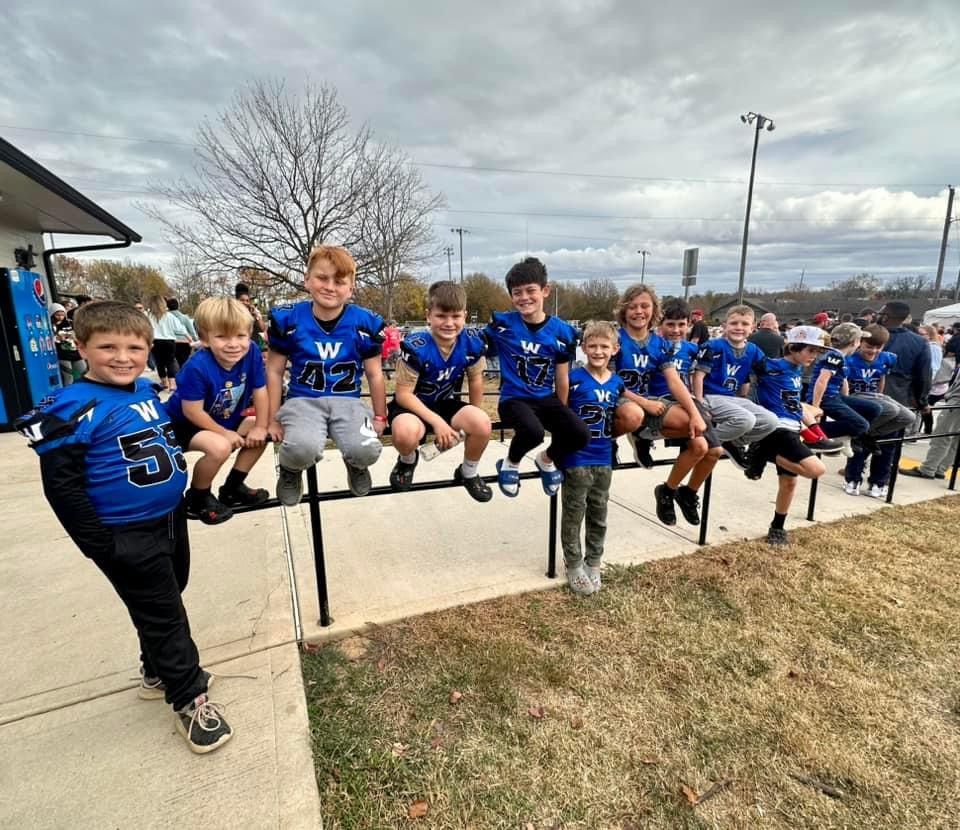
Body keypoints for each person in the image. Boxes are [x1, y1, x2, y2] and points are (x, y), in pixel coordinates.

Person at [15, 300, 231, 753]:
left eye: (134, 347)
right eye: (107, 346)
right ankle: (190, 697)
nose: (122, 356)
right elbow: (63, 487)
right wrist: (100, 544)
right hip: (124, 531)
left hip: (168, 519)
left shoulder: (143, 390)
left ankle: (155, 670)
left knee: (170, 592)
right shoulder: (71, 406)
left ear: (149, 349)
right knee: (166, 614)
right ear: (81, 347)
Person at [266, 245, 387, 503]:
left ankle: (355, 463)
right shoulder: (289, 319)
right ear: (307, 280)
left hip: (349, 401)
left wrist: (379, 415)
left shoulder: (364, 323)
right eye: (322, 278)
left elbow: (375, 375)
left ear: (351, 288)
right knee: (301, 449)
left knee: (367, 450)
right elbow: (274, 371)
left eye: (339, 281)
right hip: (303, 400)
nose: (330, 286)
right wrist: (272, 419)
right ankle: (290, 469)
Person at [482, 257, 589, 497]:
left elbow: (562, 377)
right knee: (533, 432)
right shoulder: (502, 324)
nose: (524, 297)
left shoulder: (562, 331)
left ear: (545, 291)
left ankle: (546, 459)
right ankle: (511, 462)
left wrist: (562, 413)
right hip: (513, 397)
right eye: (517, 292)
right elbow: (477, 347)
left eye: (531, 290)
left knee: (579, 433)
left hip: (544, 397)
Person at [614, 291, 717, 527]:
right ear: (623, 310)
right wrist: (644, 402)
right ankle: (615, 439)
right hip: (620, 403)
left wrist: (694, 413)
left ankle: (668, 491)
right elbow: (606, 379)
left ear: (654, 311)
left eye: (644, 306)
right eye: (632, 306)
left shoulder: (660, 344)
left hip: (649, 402)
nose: (639, 311)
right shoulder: (616, 339)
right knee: (635, 414)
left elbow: (674, 381)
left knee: (701, 442)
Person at [166, 297, 270, 524]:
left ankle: (233, 487)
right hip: (184, 425)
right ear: (204, 339)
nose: (233, 344)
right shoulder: (197, 367)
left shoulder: (251, 351)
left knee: (264, 430)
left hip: (221, 419)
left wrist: (261, 426)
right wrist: (225, 433)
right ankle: (198, 496)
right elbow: (192, 412)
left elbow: (261, 390)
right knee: (220, 447)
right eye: (222, 336)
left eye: (240, 335)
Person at [387, 281, 492, 502]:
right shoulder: (417, 345)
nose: (449, 323)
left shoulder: (472, 342)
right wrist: (437, 423)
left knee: (482, 423)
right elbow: (403, 395)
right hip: (412, 405)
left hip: (444, 402)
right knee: (404, 433)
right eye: (441, 316)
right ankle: (407, 460)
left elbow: (475, 380)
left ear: (464, 315)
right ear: (428, 316)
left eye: (455, 316)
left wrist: (471, 419)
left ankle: (468, 471)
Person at [746, 326, 828, 545]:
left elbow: (793, 403)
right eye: (811, 350)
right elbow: (746, 372)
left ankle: (777, 526)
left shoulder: (797, 370)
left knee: (789, 482)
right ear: (793, 347)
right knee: (816, 470)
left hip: (793, 427)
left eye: (817, 352)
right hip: (776, 427)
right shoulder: (771, 366)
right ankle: (763, 452)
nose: (814, 356)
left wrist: (811, 426)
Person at [558, 321, 624, 595]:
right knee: (574, 512)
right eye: (592, 346)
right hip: (576, 457)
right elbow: (559, 412)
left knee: (599, 511)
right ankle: (573, 562)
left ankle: (594, 560)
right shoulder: (572, 377)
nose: (598, 351)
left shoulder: (617, 381)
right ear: (583, 347)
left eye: (604, 346)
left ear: (615, 349)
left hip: (603, 455)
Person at [692, 305, 779, 469]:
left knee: (771, 421)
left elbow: (751, 376)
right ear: (724, 326)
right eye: (734, 323)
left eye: (745, 324)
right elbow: (698, 375)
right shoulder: (713, 346)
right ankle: (704, 441)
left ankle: (733, 442)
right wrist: (699, 402)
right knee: (746, 419)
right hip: (711, 395)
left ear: (753, 328)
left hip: (732, 397)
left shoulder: (753, 350)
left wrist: (744, 399)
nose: (739, 328)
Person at [805, 322, 883, 494]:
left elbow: (843, 380)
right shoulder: (834, 356)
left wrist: (847, 399)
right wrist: (815, 407)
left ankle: (850, 436)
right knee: (862, 425)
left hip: (836, 396)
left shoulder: (841, 357)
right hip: (826, 398)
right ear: (855, 342)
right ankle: (811, 433)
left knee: (874, 409)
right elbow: (821, 381)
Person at [844, 324, 916, 498]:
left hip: (876, 399)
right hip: (858, 398)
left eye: (878, 347)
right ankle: (853, 478)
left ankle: (878, 480)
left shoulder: (886, 358)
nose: (873, 351)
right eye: (869, 346)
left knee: (907, 416)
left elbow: (881, 379)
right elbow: (843, 382)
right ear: (860, 343)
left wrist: (879, 396)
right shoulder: (850, 359)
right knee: (887, 413)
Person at [900, 336, 960, 480]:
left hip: (956, 402)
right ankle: (940, 468)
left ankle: (929, 468)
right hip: (955, 400)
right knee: (953, 438)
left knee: (943, 435)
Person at [145, 294, 192, 392]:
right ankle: (173, 384)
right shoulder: (169, 316)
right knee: (170, 361)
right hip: (169, 342)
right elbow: (180, 328)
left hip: (155, 341)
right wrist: (189, 338)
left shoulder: (148, 316)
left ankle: (164, 383)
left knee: (160, 363)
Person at [50, 302, 86, 385]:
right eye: (57, 315)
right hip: (63, 354)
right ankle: (68, 394)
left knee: (83, 372)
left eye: (62, 315)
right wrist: (57, 338)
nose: (60, 317)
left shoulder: (69, 322)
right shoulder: (50, 325)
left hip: (75, 352)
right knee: (68, 377)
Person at [166, 298, 198, 371]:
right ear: (178, 306)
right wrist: (196, 341)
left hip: (171, 343)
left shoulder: (166, 319)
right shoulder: (185, 318)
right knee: (184, 362)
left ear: (167, 307)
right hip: (184, 343)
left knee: (171, 363)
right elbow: (192, 332)